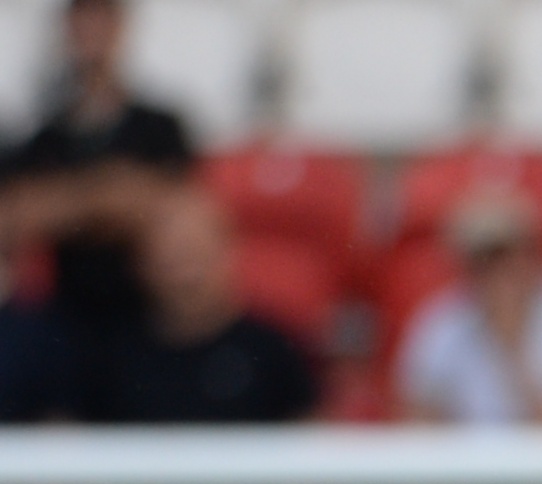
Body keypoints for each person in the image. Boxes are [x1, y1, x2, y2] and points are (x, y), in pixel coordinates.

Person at [0, 0, 194, 409]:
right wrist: (108, 193)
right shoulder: (43, 136)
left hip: (146, 313)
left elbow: (168, 209)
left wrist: (64, 203)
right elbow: (19, 214)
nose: (90, 32)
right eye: (81, 20)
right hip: (65, 316)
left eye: (100, 19)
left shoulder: (159, 126)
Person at [395, 188, 542, 428]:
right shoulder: (442, 323)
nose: (495, 273)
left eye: (504, 255)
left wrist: (511, 344)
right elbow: (419, 431)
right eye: (481, 260)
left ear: (534, 252)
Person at [82, 193, 318, 426]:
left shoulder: (271, 352)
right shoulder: (109, 355)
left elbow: (309, 440)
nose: (186, 275)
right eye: (171, 260)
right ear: (140, 263)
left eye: (196, 255)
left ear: (229, 253)